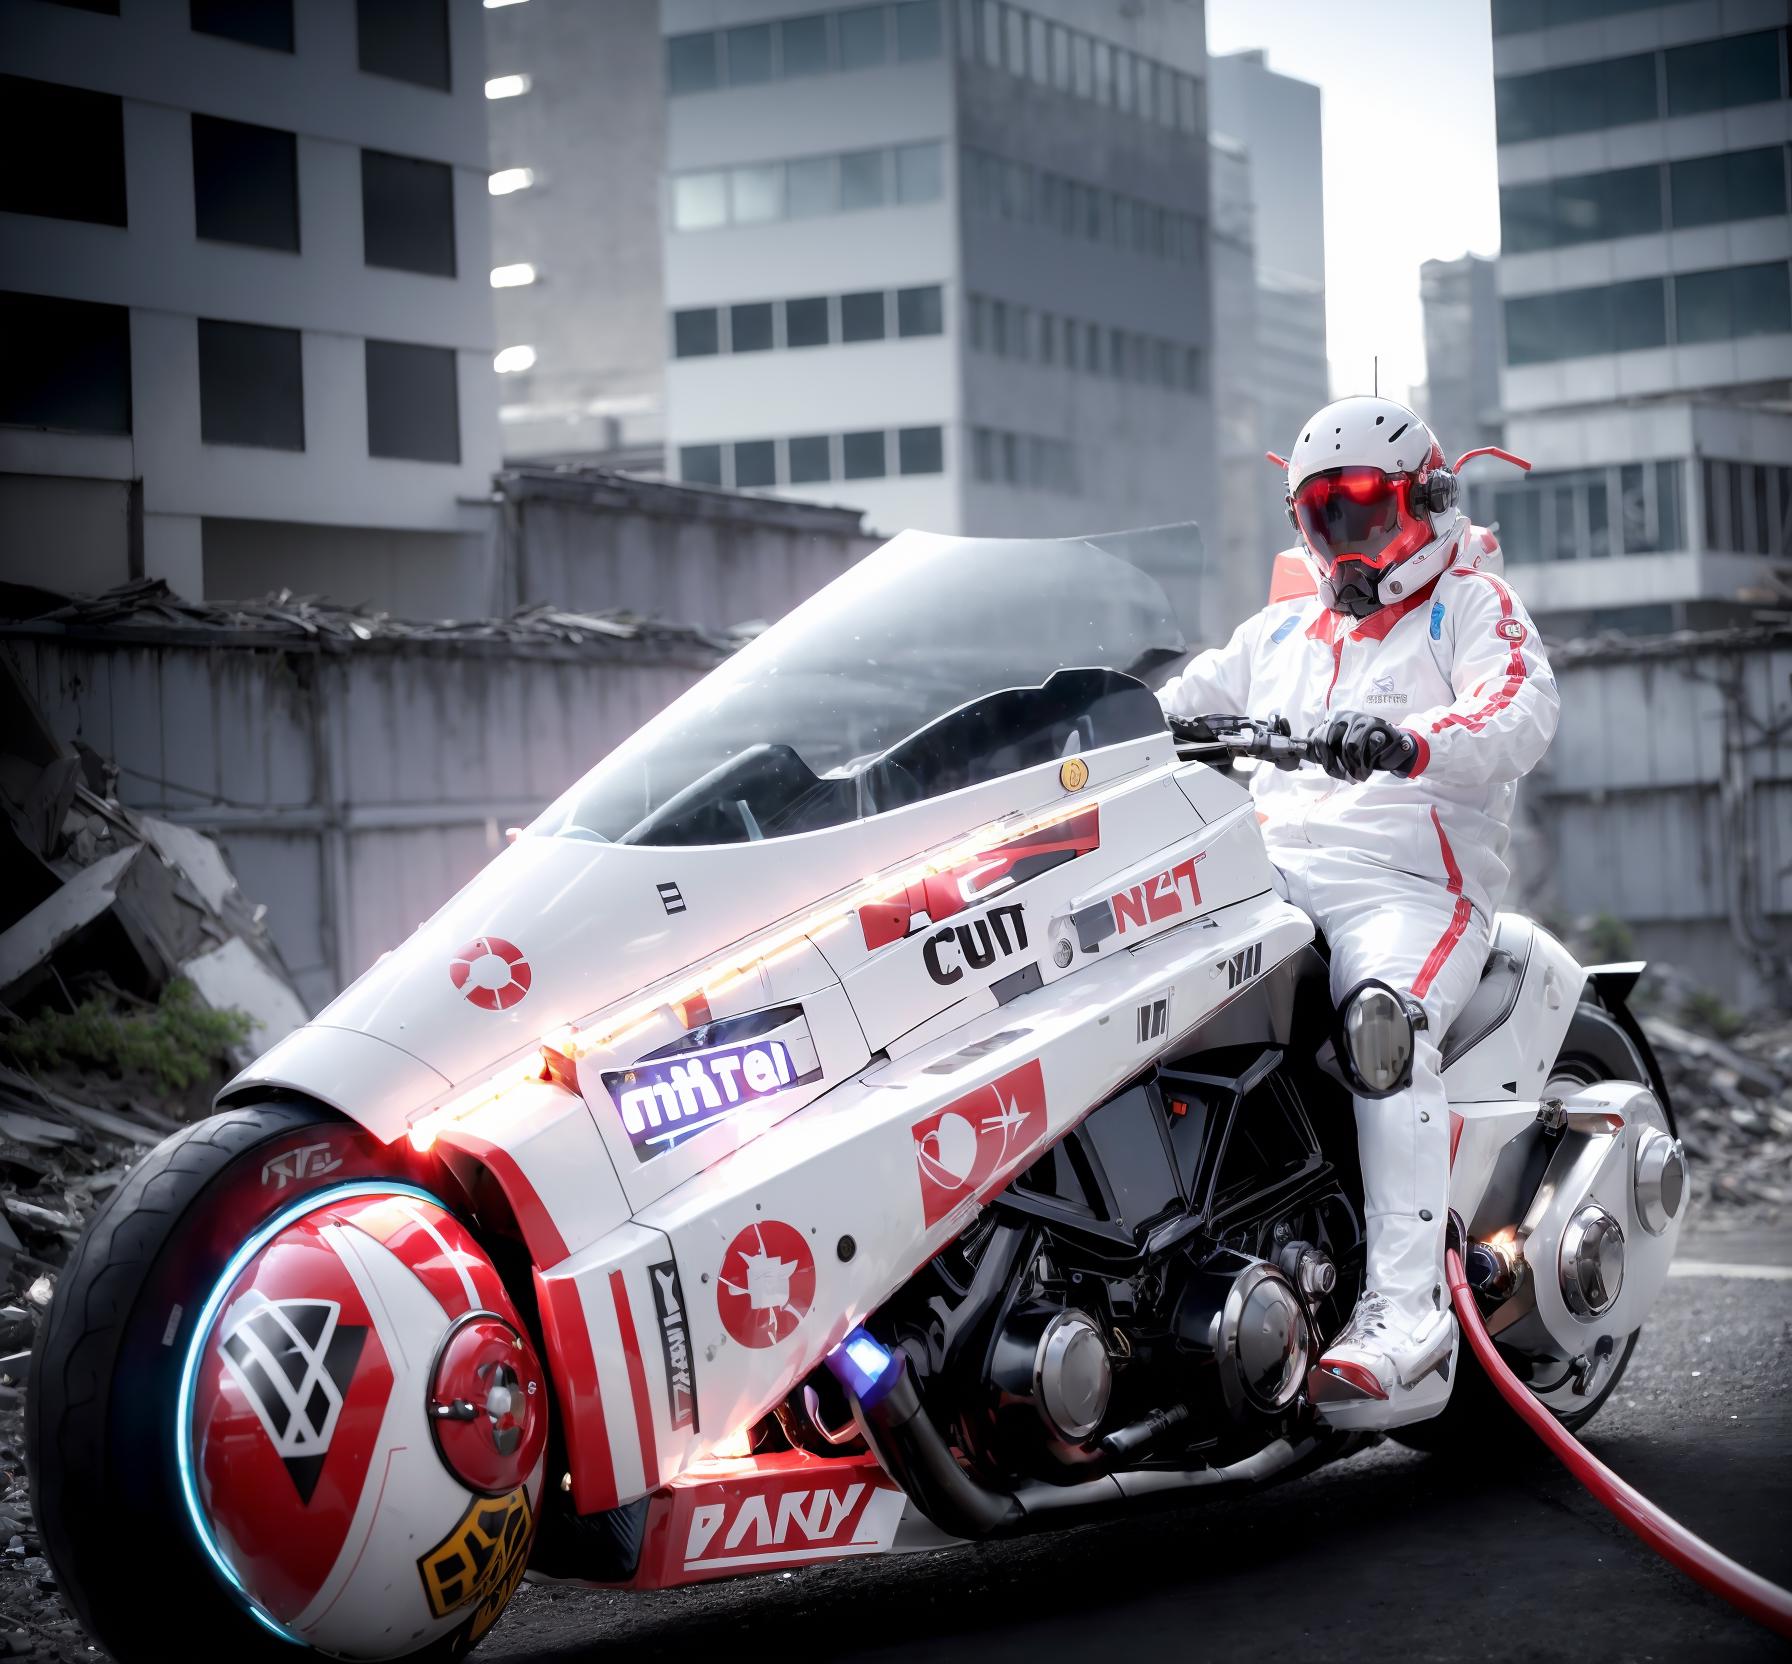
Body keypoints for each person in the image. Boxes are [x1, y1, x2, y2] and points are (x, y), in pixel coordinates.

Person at [1156, 395, 1559, 1429]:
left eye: (1367, 511)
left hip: (1411, 890)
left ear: (1424, 502)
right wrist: (1085, 712)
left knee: (1382, 1022)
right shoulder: (1277, 630)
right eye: (1325, 516)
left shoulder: (1472, 604)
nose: (1348, 539)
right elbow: (1173, 702)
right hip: (1267, 874)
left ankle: (1406, 1311)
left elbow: (1516, 705)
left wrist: (1407, 741)